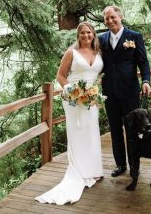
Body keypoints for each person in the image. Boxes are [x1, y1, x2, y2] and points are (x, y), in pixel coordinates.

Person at [35, 22, 104, 205]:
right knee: (77, 132)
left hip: (92, 98)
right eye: (82, 33)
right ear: (78, 35)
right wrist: (74, 91)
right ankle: (79, 171)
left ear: (93, 34)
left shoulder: (98, 53)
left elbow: (97, 75)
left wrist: (93, 91)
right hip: (74, 99)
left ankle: (93, 170)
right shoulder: (71, 53)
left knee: (91, 132)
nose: (86, 36)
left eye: (89, 32)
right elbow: (60, 76)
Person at [99, 5, 151, 177]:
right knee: (115, 130)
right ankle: (120, 165)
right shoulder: (101, 39)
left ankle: (134, 164)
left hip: (129, 90)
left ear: (120, 16)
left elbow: (143, 62)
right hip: (109, 93)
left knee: (132, 130)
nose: (110, 20)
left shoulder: (134, 36)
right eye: (107, 18)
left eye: (112, 17)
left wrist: (145, 81)